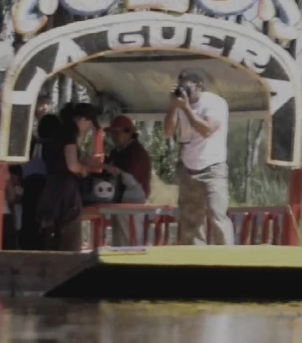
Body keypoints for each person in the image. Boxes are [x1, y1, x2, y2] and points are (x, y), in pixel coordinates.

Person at [163, 68, 234, 245]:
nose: (183, 91)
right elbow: (167, 132)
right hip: (188, 168)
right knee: (190, 221)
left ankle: (229, 260)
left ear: (200, 86)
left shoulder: (215, 103)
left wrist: (186, 108)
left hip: (212, 167)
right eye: (180, 86)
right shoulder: (179, 105)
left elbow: (206, 130)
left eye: (187, 87)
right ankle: (195, 261)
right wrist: (173, 107)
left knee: (217, 216)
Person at [36, 102, 101, 251]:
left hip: (51, 190)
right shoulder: (70, 131)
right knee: (69, 239)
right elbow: (71, 164)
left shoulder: (57, 132)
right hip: (66, 193)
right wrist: (83, 169)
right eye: (90, 124)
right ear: (83, 119)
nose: (89, 129)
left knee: (51, 239)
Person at [102, 115, 152, 246]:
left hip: (133, 197)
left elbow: (130, 178)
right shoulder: (116, 152)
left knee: (132, 237)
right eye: (112, 133)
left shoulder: (137, 152)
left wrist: (107, 167)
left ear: (129, 132)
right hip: (119, 198)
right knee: (119, 237)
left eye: (116, 132)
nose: (113, 136)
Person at [19, 113, 61, 250]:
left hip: (27, 187)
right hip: (45, 187)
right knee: (45, 224)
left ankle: (26, 248)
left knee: (28, 221)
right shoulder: (53, 147)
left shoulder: (28, 145)